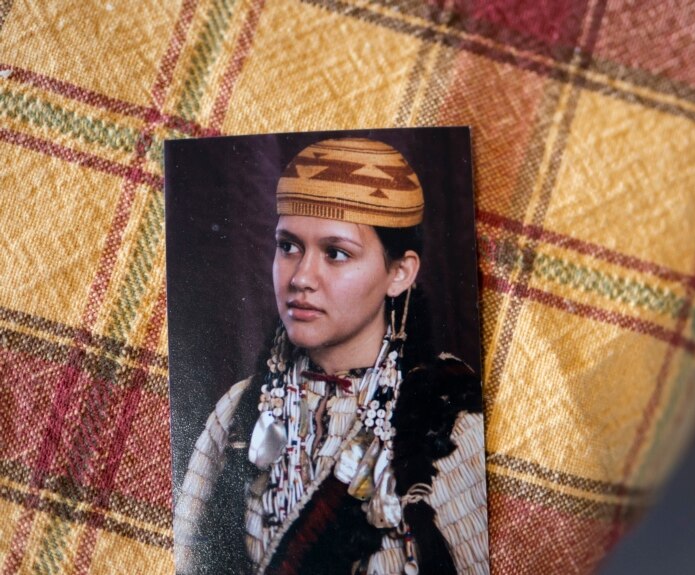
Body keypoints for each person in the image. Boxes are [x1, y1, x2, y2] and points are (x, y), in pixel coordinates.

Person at [172, 138, 489, 574]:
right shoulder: (238, 411)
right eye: (288, 246)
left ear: (399, 273)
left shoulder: (447, 421)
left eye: (336, 253)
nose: (301, 277)